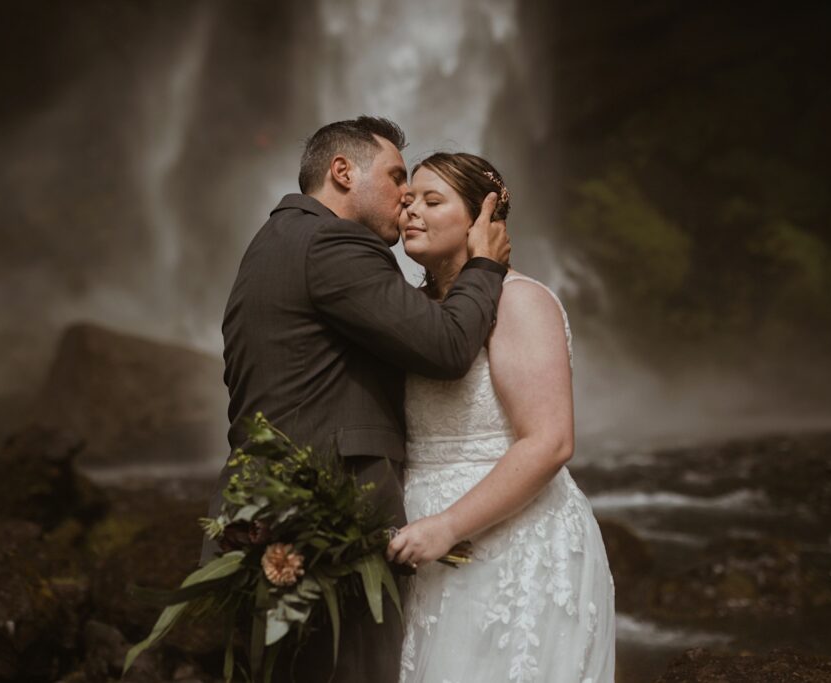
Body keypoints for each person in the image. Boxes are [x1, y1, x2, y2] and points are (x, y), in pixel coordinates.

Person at [200, 117, 511, 682]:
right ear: (342, 172)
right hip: (326, 516)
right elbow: (445, 346)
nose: (406, 198)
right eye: (397, 179)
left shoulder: (274, 241)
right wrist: (486, 266)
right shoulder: (331, 241)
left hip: (269, 513)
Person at [387, 152, 616, 683]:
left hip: (508, 543)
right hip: (418, 547)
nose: (411, 212)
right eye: (408, 201)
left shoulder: (521, 302)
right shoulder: (413, 309)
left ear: (483, 218)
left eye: (432, 200)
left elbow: (550, 442)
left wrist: (447, 526)